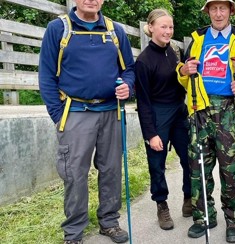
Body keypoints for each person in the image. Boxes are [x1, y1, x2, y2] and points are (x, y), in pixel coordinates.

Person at [38, 0, 135, 243]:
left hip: (111, 112)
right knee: (74, 174)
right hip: (75, 112)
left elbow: (129, 69)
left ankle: (109, 222)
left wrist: (128, 87)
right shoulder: (58, 29)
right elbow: (47, 74)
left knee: (112, 170)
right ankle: (73, 232)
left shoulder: (115, 30)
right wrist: (59, 115)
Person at [176, 0, 235, 242]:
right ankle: (203, 217)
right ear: (208, 11)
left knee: (232, 169)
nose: (218, 13)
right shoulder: (197, 38)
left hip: (230, 110)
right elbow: (183, 74)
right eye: (213, 9)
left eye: (222, 9)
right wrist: (183, 72)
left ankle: (234, 220)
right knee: (198, 168)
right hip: (200, 109)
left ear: (231, 11)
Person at [134, 8, 192, 231]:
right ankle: (162, 204)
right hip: (157, 114)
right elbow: (143, 102)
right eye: (163, 27)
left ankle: (189, 199)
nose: (168, 31)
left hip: (179, 111)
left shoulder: (174, 52)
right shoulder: (144, 61)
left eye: (171, 27)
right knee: (157, 165)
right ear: (150, 28)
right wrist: (151, 134)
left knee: (190, 158)